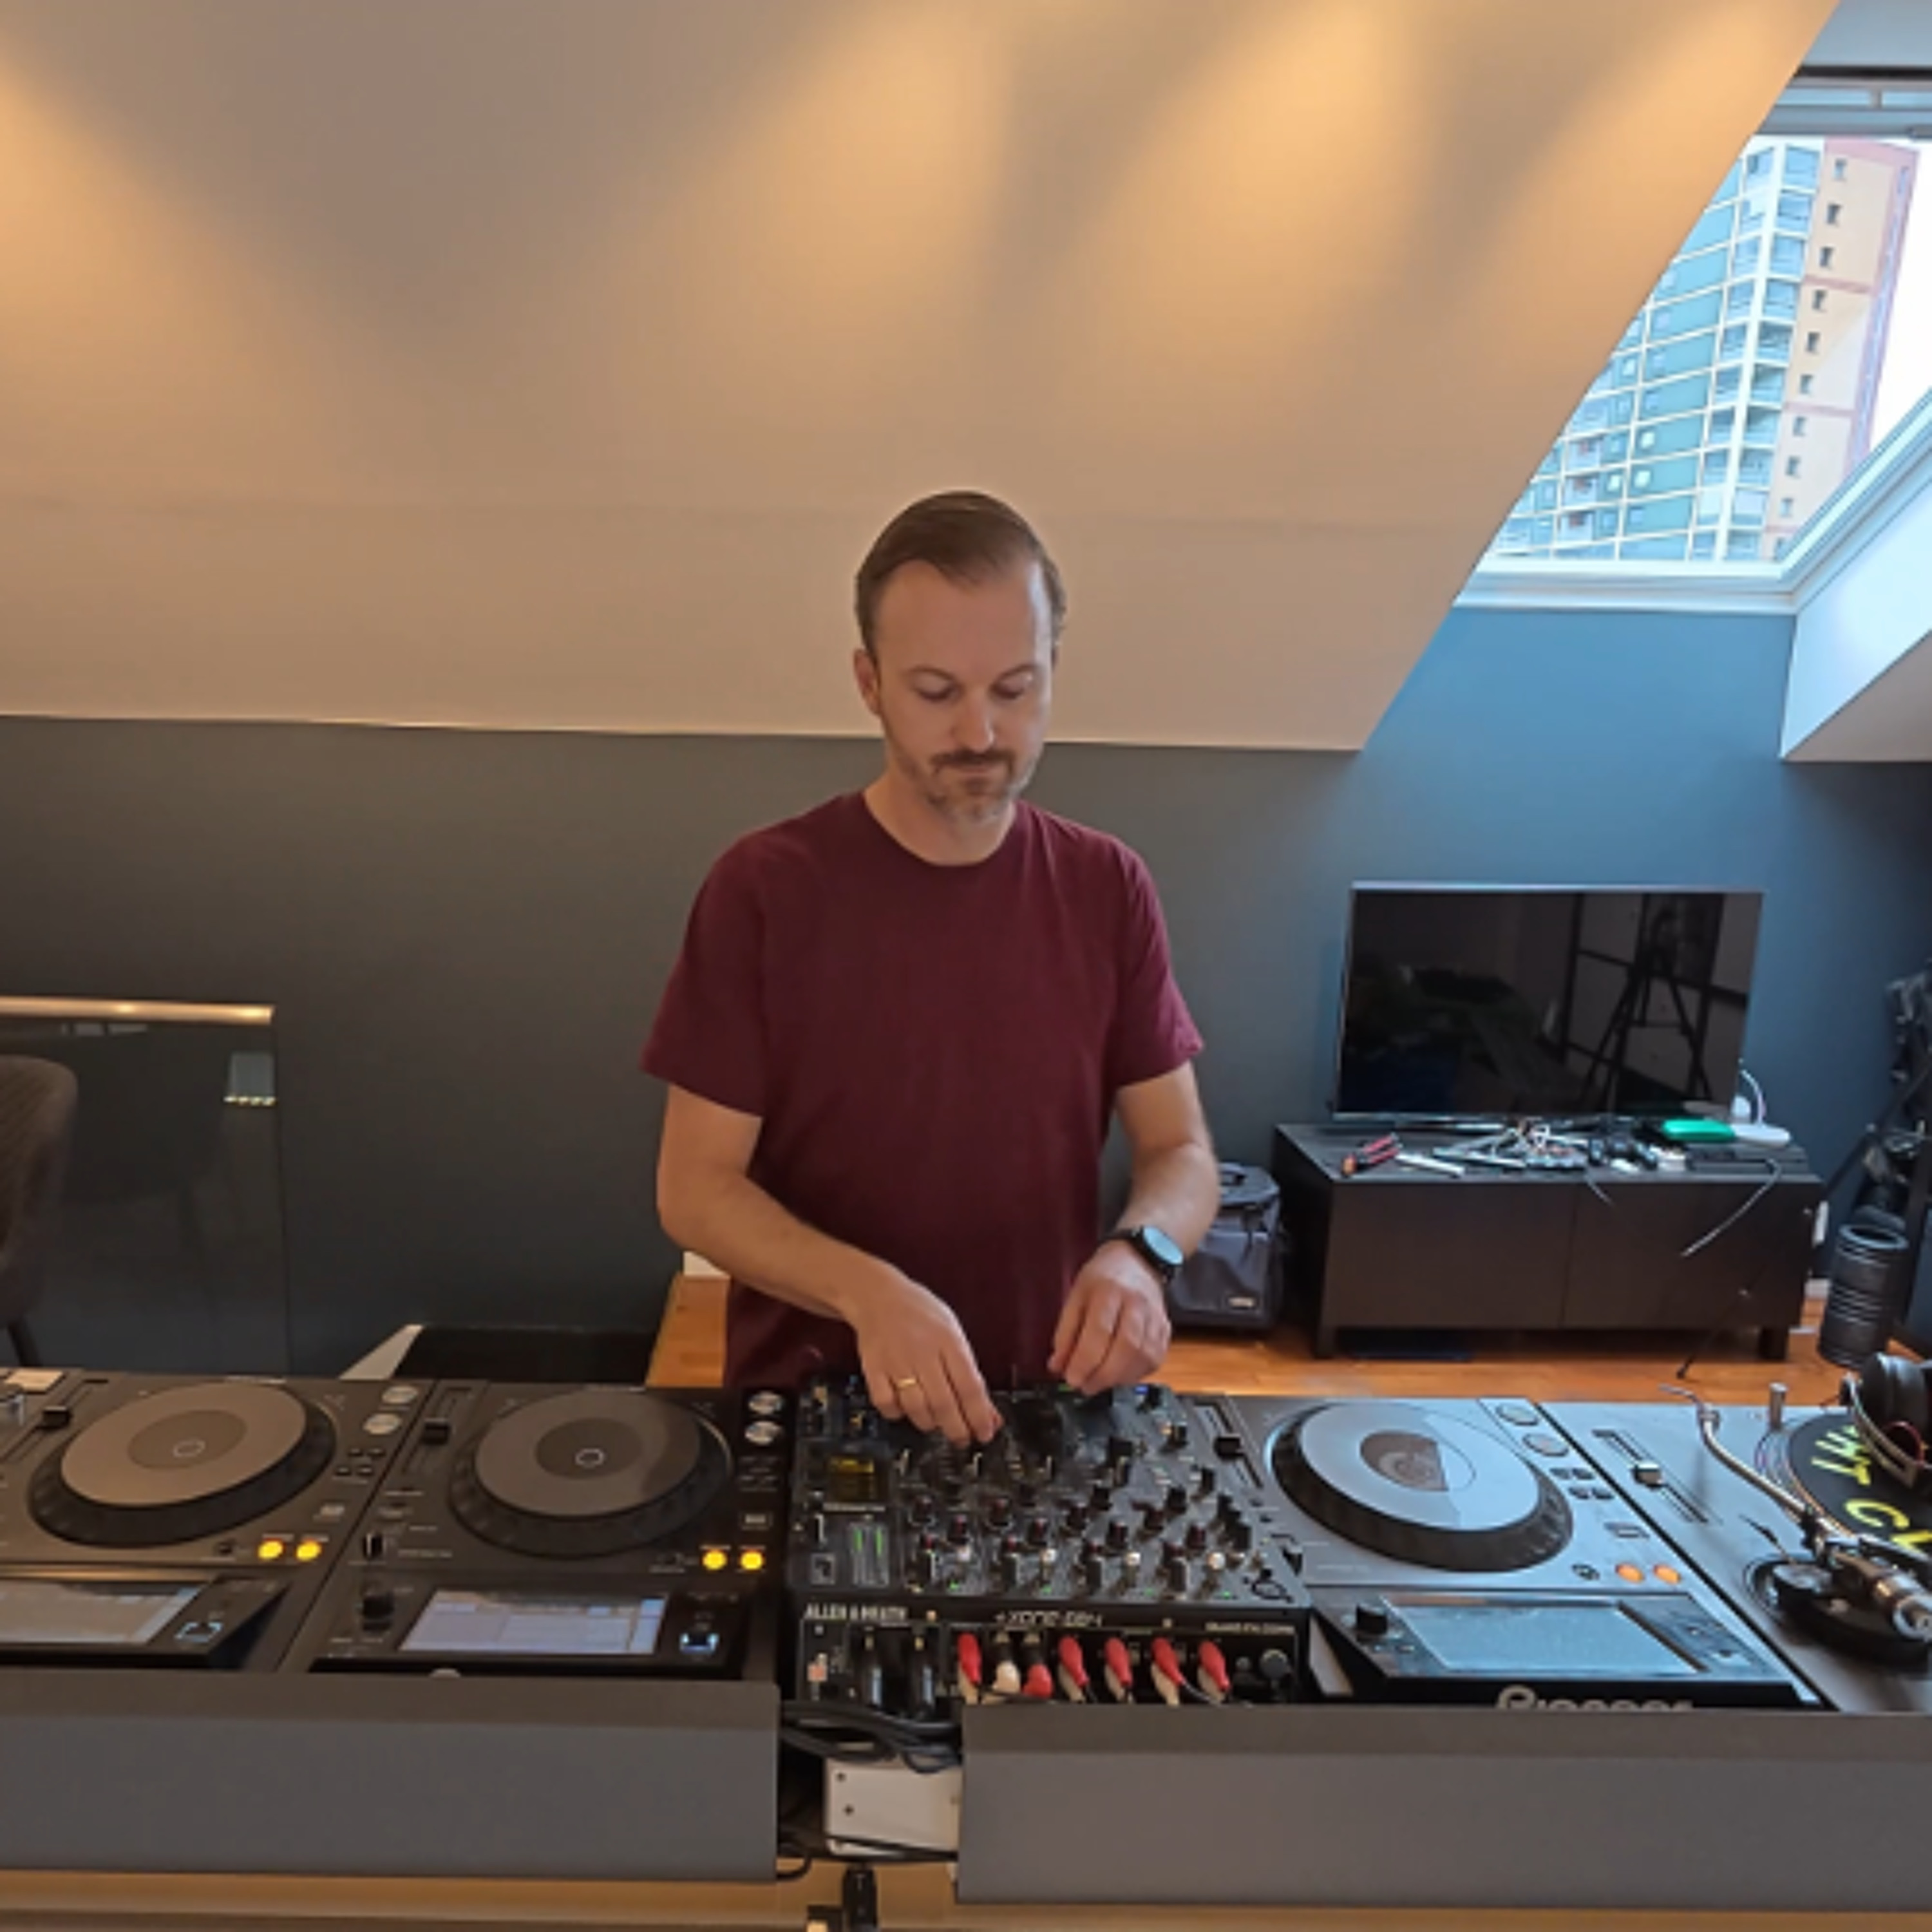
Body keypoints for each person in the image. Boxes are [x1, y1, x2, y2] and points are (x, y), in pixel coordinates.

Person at [644, 490, 1218, 1445]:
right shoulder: (764, 889)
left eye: (1014, 689)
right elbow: (695, 1190)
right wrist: (868, 1293)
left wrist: (1140, 1255)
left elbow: (1181, 1151)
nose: (980, 735)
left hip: (1041, 1413)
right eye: (937, 692)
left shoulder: (1107, 884)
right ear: (869, 683)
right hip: (813, 1412)